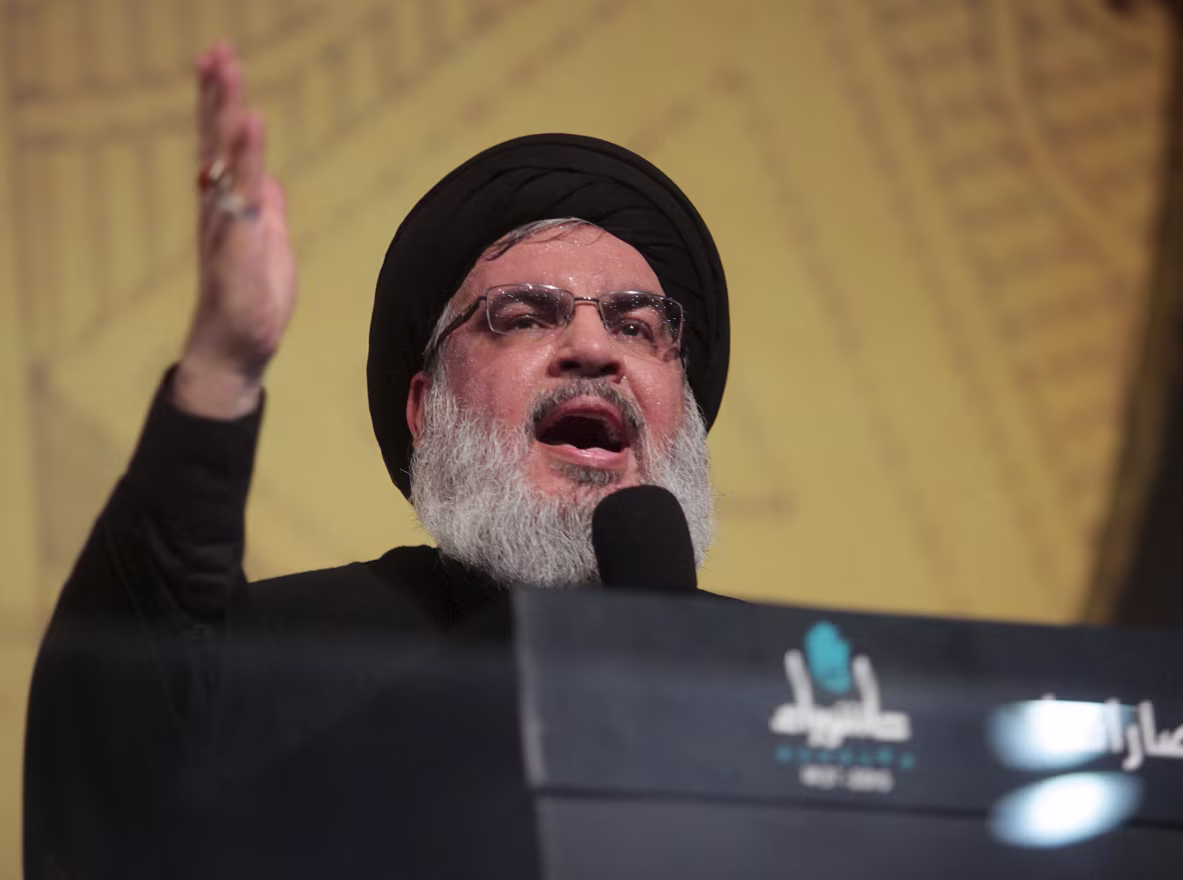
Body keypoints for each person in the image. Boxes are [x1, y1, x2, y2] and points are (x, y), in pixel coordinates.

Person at [24, 42, 730, 879]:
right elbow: (110, 752)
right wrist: (222, 366)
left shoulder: (783, 696)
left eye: (636, 324)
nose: (590, 345)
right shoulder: (294, 662)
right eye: (525, 315)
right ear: (426, 409)